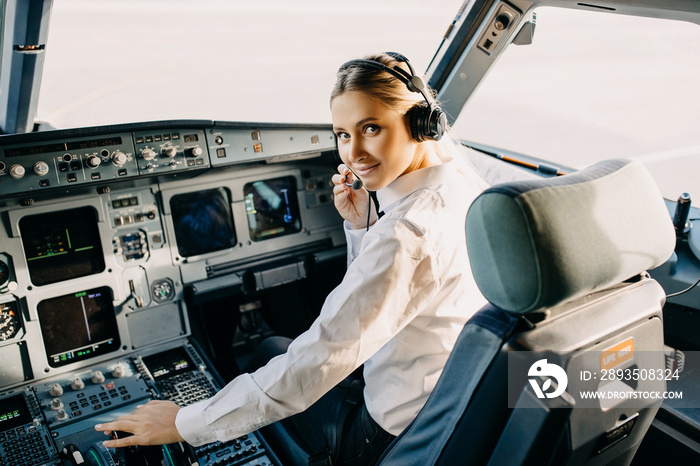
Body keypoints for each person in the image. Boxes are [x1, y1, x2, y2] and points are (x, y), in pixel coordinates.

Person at [95, 52, 488, 465]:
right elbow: (383, 301)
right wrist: (360, 228)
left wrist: (184, 423)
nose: (353, 153)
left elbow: (318, 360)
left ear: (420, 124)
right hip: (447, 410)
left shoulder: (406, 233)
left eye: (371, 128)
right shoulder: (463, 190)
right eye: (342, 134)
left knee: (269, 351)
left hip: (387, 436)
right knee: (277, 350)